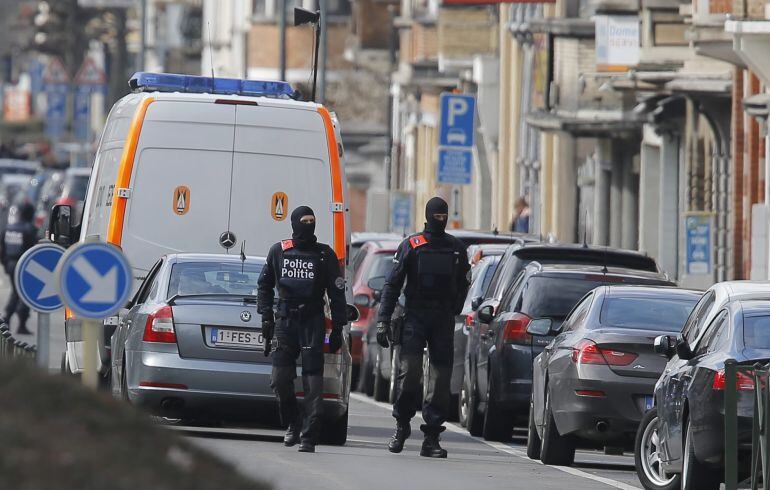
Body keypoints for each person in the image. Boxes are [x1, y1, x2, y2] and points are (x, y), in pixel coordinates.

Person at [376, 197, 470, 458]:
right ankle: (402, 424)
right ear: (428, 216)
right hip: (415, 315)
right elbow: (392, 285)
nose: (441, 219)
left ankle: (431, 437)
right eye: (437, 215)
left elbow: (464, 282)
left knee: (440, 381)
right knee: (410, 374)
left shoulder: (456, 248)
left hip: (442, 318)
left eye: (444, 215)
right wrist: (383, 320)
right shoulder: (412, 245)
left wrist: (455, 307)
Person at [257, 205, 347, 453]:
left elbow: (337, 294)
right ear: (295, 223)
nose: (309, 225)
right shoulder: (279, 251)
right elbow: (264, 286)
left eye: (312, 220)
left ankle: (309, 435)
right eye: (304, 221)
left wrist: (338, 327)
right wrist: (266, 317)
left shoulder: (324, 255)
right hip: (285, 323)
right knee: (279, 380)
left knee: (313, 385)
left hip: (312, 322)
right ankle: (292, 423)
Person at [1, 203, 38, 335]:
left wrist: (5, 264)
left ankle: (9, 319)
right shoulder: (29, 229)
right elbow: (34, 249)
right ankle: (15, 321)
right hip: (25, 264)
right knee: (24, 294)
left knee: (16, 292)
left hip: (10, 263)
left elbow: (2, 249)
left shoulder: (8, 228)